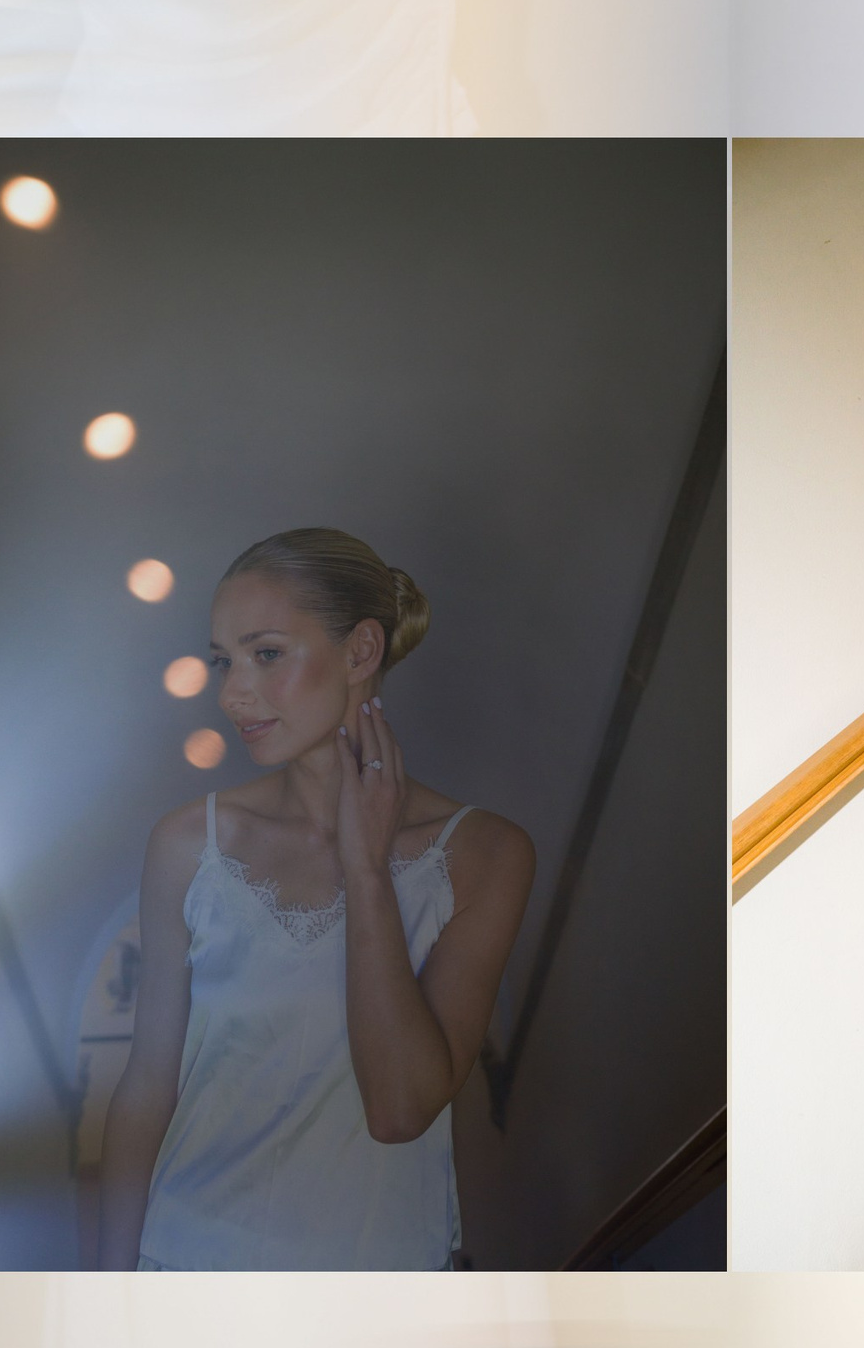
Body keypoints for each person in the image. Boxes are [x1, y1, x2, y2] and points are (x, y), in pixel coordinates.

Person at [95, 527, 535, 1272]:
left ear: (361, 652)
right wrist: (102, 1306)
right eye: (224, 661)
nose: (233, 693)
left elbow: (400, 1108)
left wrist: (365, 866)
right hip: (188, 1272)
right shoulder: (185, 845)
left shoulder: (485, 854)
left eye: (266, 653)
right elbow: (145, 1090)